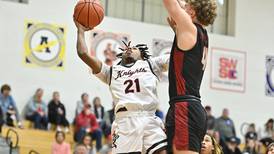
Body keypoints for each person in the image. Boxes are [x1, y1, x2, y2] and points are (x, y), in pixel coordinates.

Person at [74, 19, 169, 153]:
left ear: (142, 56)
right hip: (125, 122)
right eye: (126, 48)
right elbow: (83, 54)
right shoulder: (111, 71)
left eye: (134, 48)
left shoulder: (151, 64)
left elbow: (177, 57)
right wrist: (81, 31)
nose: (129, 48)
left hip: (149, 117)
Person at [162, 0, 217, 153]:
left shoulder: (190, 28)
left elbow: (171, 4)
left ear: (192, 12)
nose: (183, 7)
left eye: (186, 7)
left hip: (185, 108)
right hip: (188, 107)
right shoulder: (201, 34)